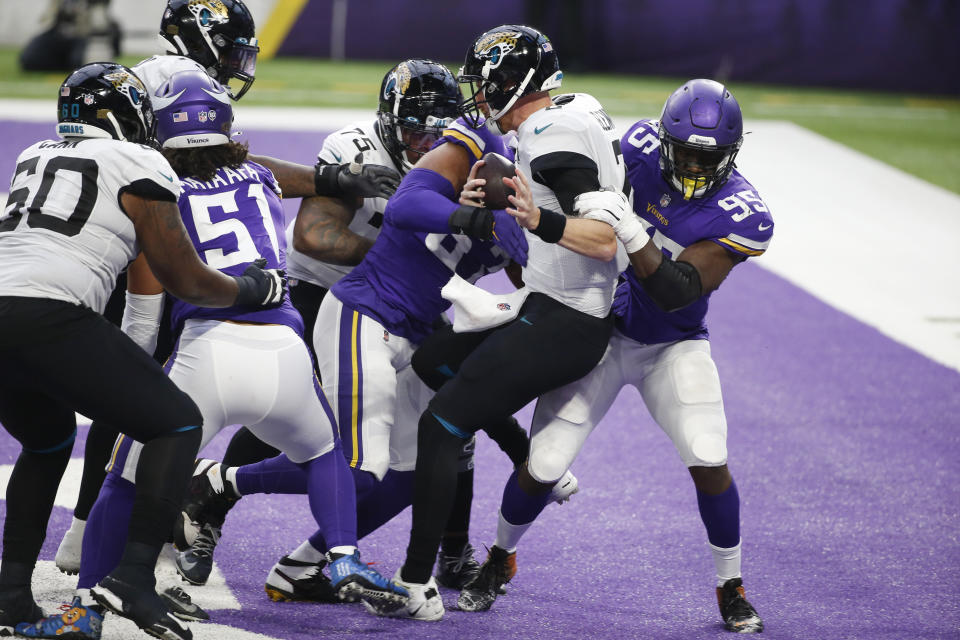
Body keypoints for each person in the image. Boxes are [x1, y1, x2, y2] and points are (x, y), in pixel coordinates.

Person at [16, 70, 407, 640]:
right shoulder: (258, 177)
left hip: (206, 354)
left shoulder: (151, 185)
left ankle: (86, 608)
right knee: (326, 454)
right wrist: (336, 177)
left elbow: (149, 304)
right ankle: (344, 554)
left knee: (122, 483)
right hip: (285, 350)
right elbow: (261, 168)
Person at [172, 59, 526, 598]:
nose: (423, 142)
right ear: (387, 121)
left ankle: (452, 550)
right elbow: (312, 237)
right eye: (413, 129)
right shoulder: (354, 148)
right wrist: (396, 257)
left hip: (410, 301)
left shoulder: (461, 157)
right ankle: (216, 500)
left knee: (453, 415)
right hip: (329, 291)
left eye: (436, 130)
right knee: (297, 410)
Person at [468, 79, 768, 633]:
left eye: (710, 157)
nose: (696, 167)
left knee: (708, 453)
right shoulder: (636, 148)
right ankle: (499, 557)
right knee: (545, 463)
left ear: (732, 153)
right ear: (664, 138)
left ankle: (731, 584)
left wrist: (629, 228)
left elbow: (677, 289)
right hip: (599, 330)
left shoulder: (742, 212)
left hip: (672, 344)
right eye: (686, 153)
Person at [0, 62, 284, 639]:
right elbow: (185, 277)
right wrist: (255, 287)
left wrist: (124, 372)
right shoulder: (140, 161)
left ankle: (9, 596)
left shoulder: (35, 154)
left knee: (50, 438)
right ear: (124, 116)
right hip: (49, 312)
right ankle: (132, 577)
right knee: (178, 423)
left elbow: (137, 292)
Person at [360, 24, 630, 621]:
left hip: (567, 318)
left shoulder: (547, 132)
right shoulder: (576, 108)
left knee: (440, 427)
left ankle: (415, 586)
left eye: (487, 84)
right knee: (434, 362)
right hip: (551, 302)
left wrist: (539, 223)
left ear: (514, 83)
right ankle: (527, 459)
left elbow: (605, 238)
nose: (480, 95)